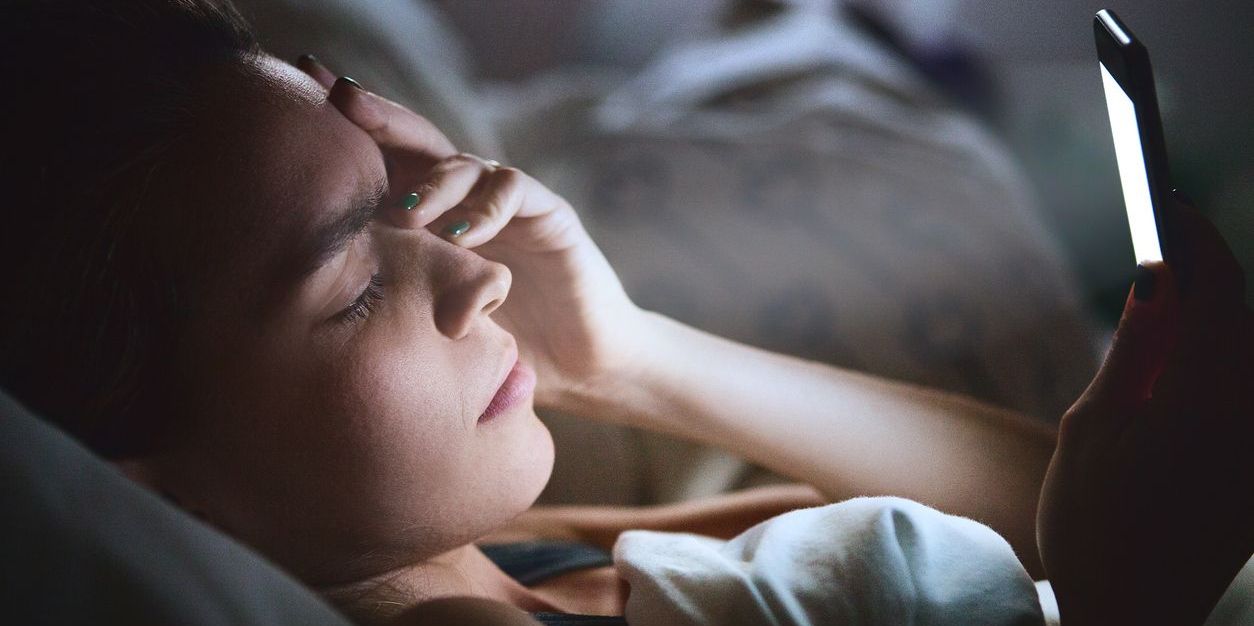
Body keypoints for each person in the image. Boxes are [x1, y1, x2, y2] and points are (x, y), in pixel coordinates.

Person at [0, 1, 1249, 624]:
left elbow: (1034, 519)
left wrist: (624, 357)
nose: (475, 272)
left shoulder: (508, 554)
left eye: (402, 197)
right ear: (145, 488)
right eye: (359, 282)